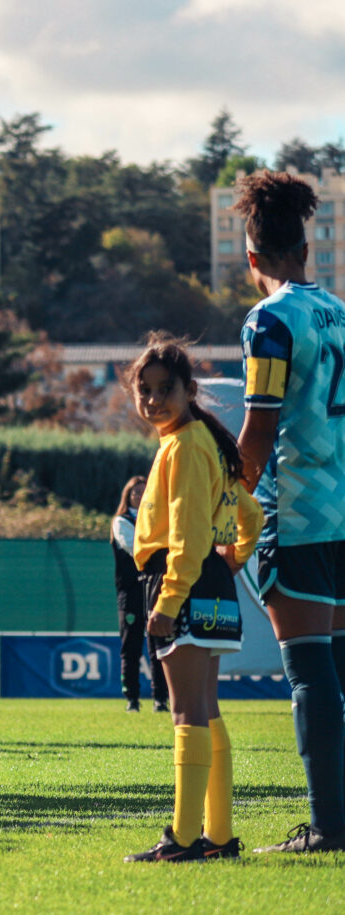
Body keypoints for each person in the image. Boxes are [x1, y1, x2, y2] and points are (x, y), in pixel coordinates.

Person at [231, 171, 345, 854]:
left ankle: (329, 827)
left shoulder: (268, 321)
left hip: (297, 516)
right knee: (337, 667)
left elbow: (259, 429)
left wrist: (221, 508)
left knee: (309, 674)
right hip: (344, 514)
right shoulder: (339, 311)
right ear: (307, 249)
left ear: (252, 260)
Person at [123, 336, 262, 862]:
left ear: (189, 390)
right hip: (214, 586)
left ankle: (182, 840)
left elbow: (184, 533)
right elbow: (251, 516)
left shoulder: (182, 445)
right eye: (146, 390)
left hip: (180, 583)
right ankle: (219, 836)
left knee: (186, 712)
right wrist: (234, 558)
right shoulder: (207, 438)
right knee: (206, 710)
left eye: (166, 389)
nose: (154, 400)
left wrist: (169, 601)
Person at [112, 475, 169, 712]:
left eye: (144, 491)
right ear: (128, 495)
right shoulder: (121, 521)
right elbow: (136, 548)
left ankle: (160, 699)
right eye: (135, 492)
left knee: (159, 645)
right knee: (131, 646)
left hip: (156, 589)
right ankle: (132, 699)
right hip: (132, 592)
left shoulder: (158, 520)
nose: (139, 495)